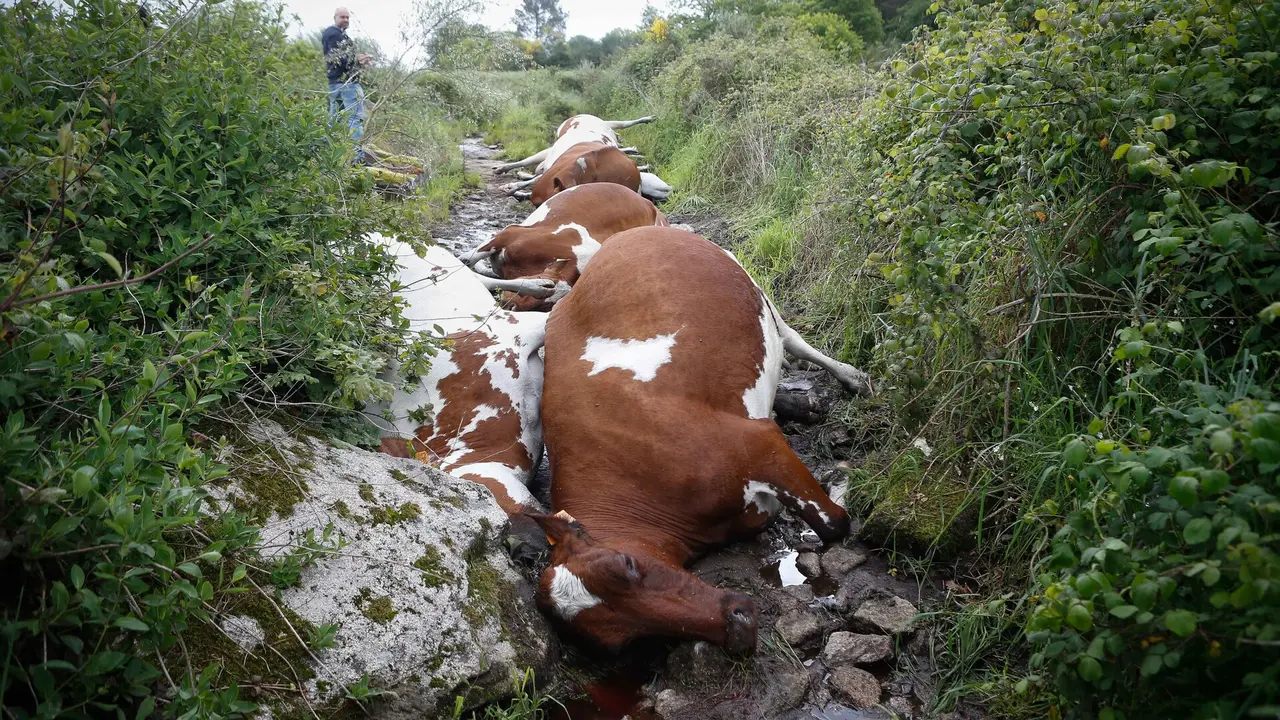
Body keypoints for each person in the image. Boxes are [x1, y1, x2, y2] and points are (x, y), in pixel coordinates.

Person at [322, 7, 371, 160]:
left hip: (335, 83)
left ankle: (324, 153)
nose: (345, 20)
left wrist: (359, 61)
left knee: (334, 119)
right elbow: (336, 57)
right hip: (347, 84)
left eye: (347, 17)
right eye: (342, 17)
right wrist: (357, 60)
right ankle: (357, 158)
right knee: (355, 118)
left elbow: (339, 59)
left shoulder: (339, 35)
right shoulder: (333, 33)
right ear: (335, 17)